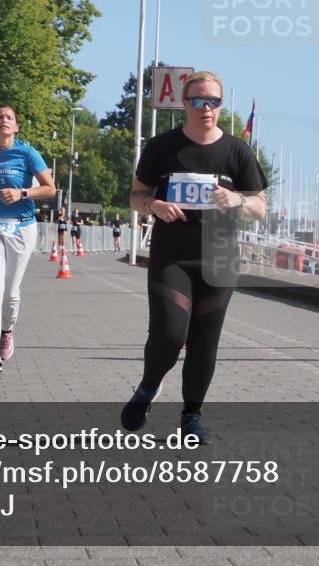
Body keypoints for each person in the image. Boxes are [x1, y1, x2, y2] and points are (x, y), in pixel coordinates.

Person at [121, 71, 267, 443]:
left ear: (221, 105)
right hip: (172, 256)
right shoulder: (163, 147)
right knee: (170, 334)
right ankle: (148, 387)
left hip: (218, 259)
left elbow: (259, 208)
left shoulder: (236, 151)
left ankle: (191, 416)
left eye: (214, 101)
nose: (206, 108)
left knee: (205, 342)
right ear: (185, 104)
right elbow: (135, 196)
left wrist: (237, 199)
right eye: (199, 100)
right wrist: (154, 205)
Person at [0, 106, 56, 373]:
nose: (4, 120)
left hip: (21, 227)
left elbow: (50, 189)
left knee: (11, 292)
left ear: (16, 127)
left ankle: (7, 331)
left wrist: (22, 193)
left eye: (9, 118)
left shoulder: (27, 153)